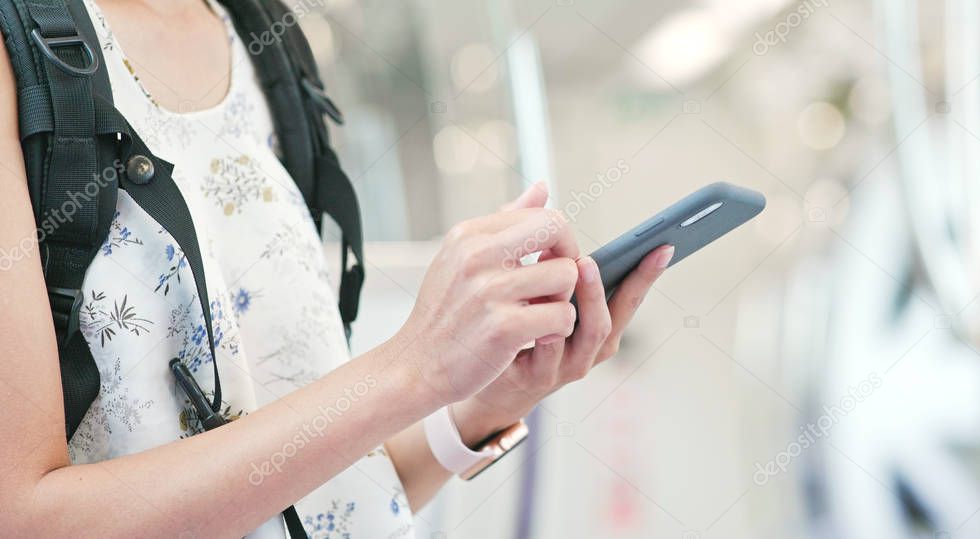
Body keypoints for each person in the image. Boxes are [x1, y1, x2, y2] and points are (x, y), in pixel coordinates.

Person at [0, 0, 674, 536]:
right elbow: (24, 519)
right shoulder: (21, 48)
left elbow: (312, 503)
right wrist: (415, 368)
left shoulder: (262, 35)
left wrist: (482, 404)